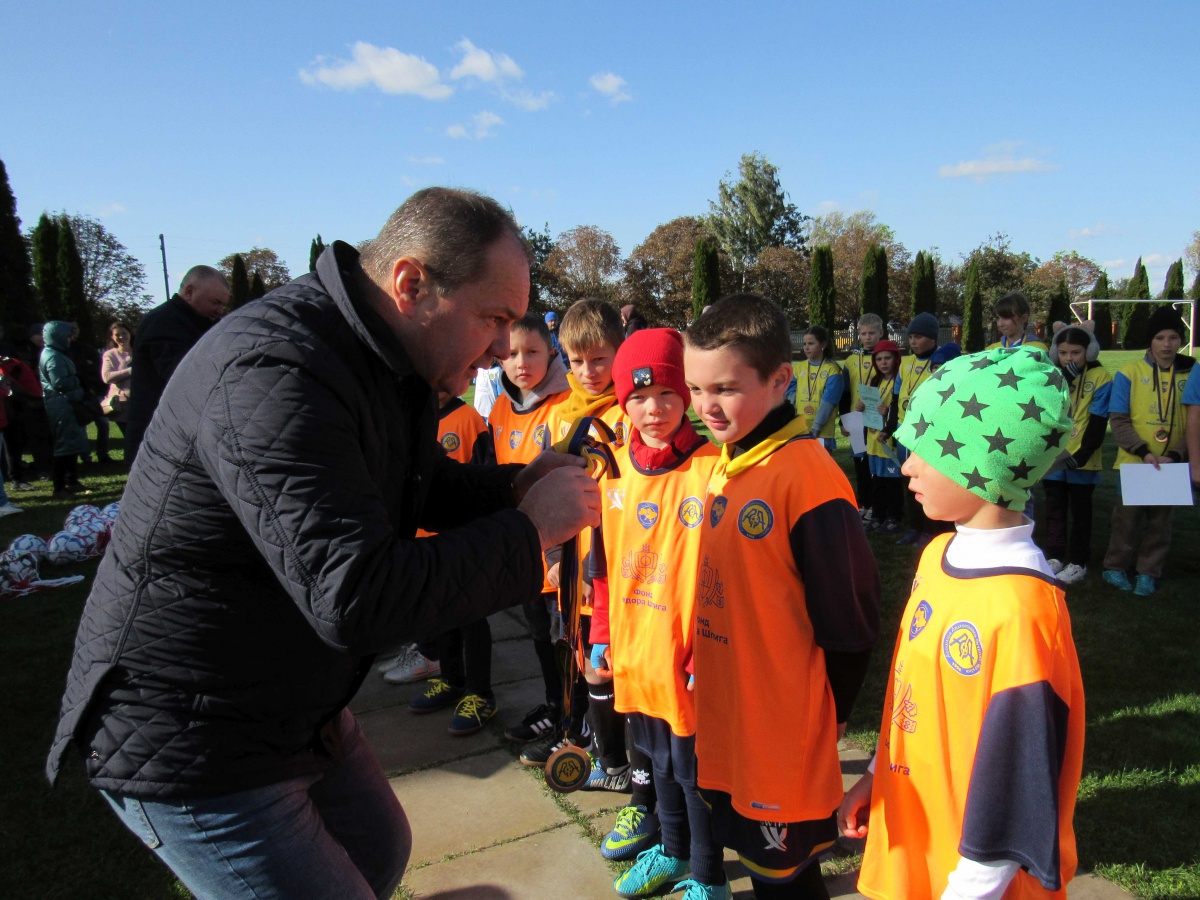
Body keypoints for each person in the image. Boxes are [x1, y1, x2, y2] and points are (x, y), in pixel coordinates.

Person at [46, 187, 601, 900]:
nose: (502, 346)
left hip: (281, 701)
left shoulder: (375, 358)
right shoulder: (276, 371)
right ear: (411, 284)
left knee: (378, 844)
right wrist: (530, 532)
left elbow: (414, 485)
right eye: (493, 319)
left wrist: (516, 485)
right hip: (193, 737)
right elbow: (359, 595)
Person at [840, 346, 1085, 900]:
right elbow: (913, 694)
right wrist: (880, 773)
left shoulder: (1022, 614)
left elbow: (1016, 790)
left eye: (926, 451)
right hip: (915, 840)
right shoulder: (937, 557)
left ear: (984, 467)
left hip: (969, 882)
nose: (906, 466)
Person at [683, 294, 880, 900]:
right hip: (731, 716)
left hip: (781, 729)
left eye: (724, 388)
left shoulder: (808, 479)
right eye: (694, 388)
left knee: (785, 882)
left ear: (780, 379)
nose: (706, 406)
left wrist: (834, 714)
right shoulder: (725, 462)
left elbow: (850, 626)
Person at [587, 328, 724, 899]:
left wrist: (710, 644)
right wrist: (601, 637)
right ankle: (669, 852)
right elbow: (601, 566)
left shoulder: (715, 466)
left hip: (689, 654)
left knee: (695, 774)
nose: (653, 409)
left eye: (666, 394)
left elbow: (730, 574)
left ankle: (709, 877)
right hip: (636, 648)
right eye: (638, 398)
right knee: (656, 761)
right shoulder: (613, 470)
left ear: (687, 395)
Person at [521, 297, 629, 770]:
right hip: (566, 559)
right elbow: (549, 484)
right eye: (577, 360)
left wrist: (596, 566)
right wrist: (553, 556)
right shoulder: (561, 412)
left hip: (610, 565)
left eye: (599, 359)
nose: (587, 371)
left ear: (619, 352)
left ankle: (620, 753)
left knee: (606, 659)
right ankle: (575, 732)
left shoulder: (631, 413)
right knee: (572, 649)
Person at [403, 390, 500, 736]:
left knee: (471, 617)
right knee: (440, 613)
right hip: (422, 541)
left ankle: (480, 695)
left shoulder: (469, 420)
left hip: (463, 541)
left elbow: (485, 477)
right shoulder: (411, 416)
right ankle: (451, 681)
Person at [1101, 306, 1195, 596]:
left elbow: (1196, 419)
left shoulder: (1193, 370)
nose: (1167, 345)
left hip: (1171, 463)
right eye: (1160, 338)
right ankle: (1114, 567)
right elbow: (1118, 419)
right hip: (1135, 461)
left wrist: (1178, 454)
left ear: (1181, 340)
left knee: (1160, 523)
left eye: (1173, 338)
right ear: (1150, 341)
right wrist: (1143, 452)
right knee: (1126, 520)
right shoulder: (1130, 372)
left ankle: (1148, 572)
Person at [124, 265, 229, 462]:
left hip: (174, 437)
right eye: (215, 302)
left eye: (223, 305)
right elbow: (184, 375)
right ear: (189, 292)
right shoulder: (164, 323)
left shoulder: (192, 323)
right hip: (159, 441)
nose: (219, 311)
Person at [1043, 325, 1110, 584]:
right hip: (1054, 455)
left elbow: (1099, 418)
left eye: (1076, 352)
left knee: (1081, 513)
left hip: (1084, 455)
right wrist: (1063, 381)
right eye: (1063, 353)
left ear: (1089, 352)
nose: (1069, 359)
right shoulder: (1052, 374)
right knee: (1055, 509)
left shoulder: (1101, 376)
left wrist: (1084, 453)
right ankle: (1056, 556)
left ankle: (1078, 561)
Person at [889, 312, 940, 547]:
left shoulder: (940, 361)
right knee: (907, 478)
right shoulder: (905, 363)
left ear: (932, 338)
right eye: (910, 337)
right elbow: (896, 395)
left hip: (928, 430)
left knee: (928, 480)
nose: (913, 342)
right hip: (904, 427)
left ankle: (931, 528)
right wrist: (891, 426)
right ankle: (914, 526)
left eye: (918, 337)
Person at [38, 321, 91, 498]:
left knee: (72, 443)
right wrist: (79, 379)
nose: (70, 339)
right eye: (68, 335)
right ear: (58, 336)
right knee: (64, 446)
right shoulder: (53, 357)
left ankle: (71, 480)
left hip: (67, 404)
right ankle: (59, 486)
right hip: (62, 406)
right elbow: (59, 382)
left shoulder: (56, 353)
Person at [845, 314, 883, 519]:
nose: (867, 337)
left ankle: (877, 504)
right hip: (855, 418)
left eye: (872, 333)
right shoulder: (851, 360)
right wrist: (844, 419)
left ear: (881, 333)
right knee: (860, 463)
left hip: (876, 418)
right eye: (863, 333)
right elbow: (844, 392)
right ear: (858, 334)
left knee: (876, 462)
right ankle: (864, 503)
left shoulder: (886, 358)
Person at [864, 340, 903, 535]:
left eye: (887, 358)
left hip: (888, 439)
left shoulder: (899, 381)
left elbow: (898, 410)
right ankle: (878, 515)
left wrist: (886, 413)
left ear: (896, 358)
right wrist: (863, 408)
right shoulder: (874, 381)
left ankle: (894, 517)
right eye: (878, 359)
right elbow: (870, 409)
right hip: (874, 439)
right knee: (877, 480)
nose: (883, 362)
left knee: (892, 481)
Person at [68, 321, 111, 464]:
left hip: (92, 392)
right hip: (74, 394)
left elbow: (97, 369)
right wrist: (83, 367)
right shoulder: (63, 351)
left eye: (75, 328)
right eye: (69, 328)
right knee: (81, 427)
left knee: (103, 423)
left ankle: (103, 454)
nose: (73, 331)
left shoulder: (85, 348)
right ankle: (85, 457)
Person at [796, 325, 843, 452]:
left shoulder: (833, 370)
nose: (806, 347)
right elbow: (790, 392)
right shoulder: (799, 368)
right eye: (805, 343)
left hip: (822, 431)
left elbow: (828, 402)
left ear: (823, 345)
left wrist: (816, 428)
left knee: (819, 470)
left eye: (811, 343)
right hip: (800, 427)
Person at [101, 322, 133, 436]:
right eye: (117, 334)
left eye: (124, 333)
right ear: (112, 337)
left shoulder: (139, 351)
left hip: (142, 403)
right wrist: (129, 371)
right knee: (130, 438)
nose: (121, 337)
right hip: (122, 405)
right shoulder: (110, 355)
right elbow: (107, 377)